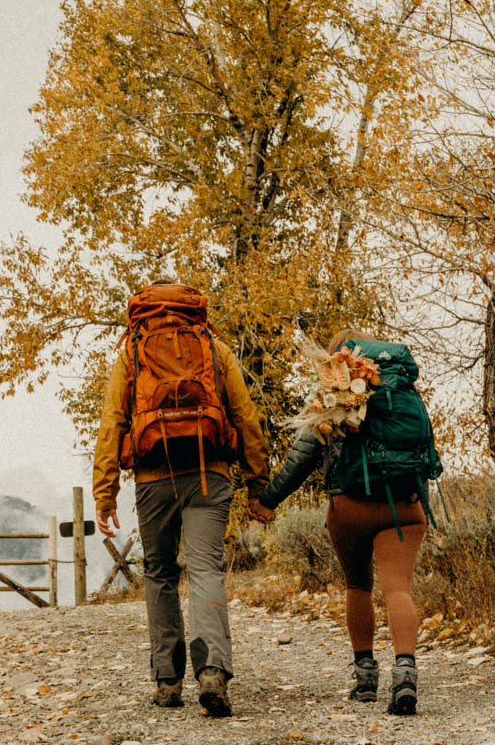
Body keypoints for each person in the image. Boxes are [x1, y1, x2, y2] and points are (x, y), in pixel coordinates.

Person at [93, 281, 269, 717]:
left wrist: (106, 492)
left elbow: (112, 420)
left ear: (142, 314)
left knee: (159, 572)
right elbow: (244, 413)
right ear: (195, 311)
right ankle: (212, 672)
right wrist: (258, 481)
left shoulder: (133, 350)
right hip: (210, 473)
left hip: (153, 480)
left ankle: (168, 681)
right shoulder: (212, 347)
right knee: (206, 568)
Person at [248, 329, 440, 716]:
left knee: (358, 586)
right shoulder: (403, 392)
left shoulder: (333, 394)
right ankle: (405, 674)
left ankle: (366, 676)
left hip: (350, 507)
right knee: (398, 589)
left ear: (336, 358)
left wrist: (266, 501)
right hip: (405, 507)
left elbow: (301, 458)